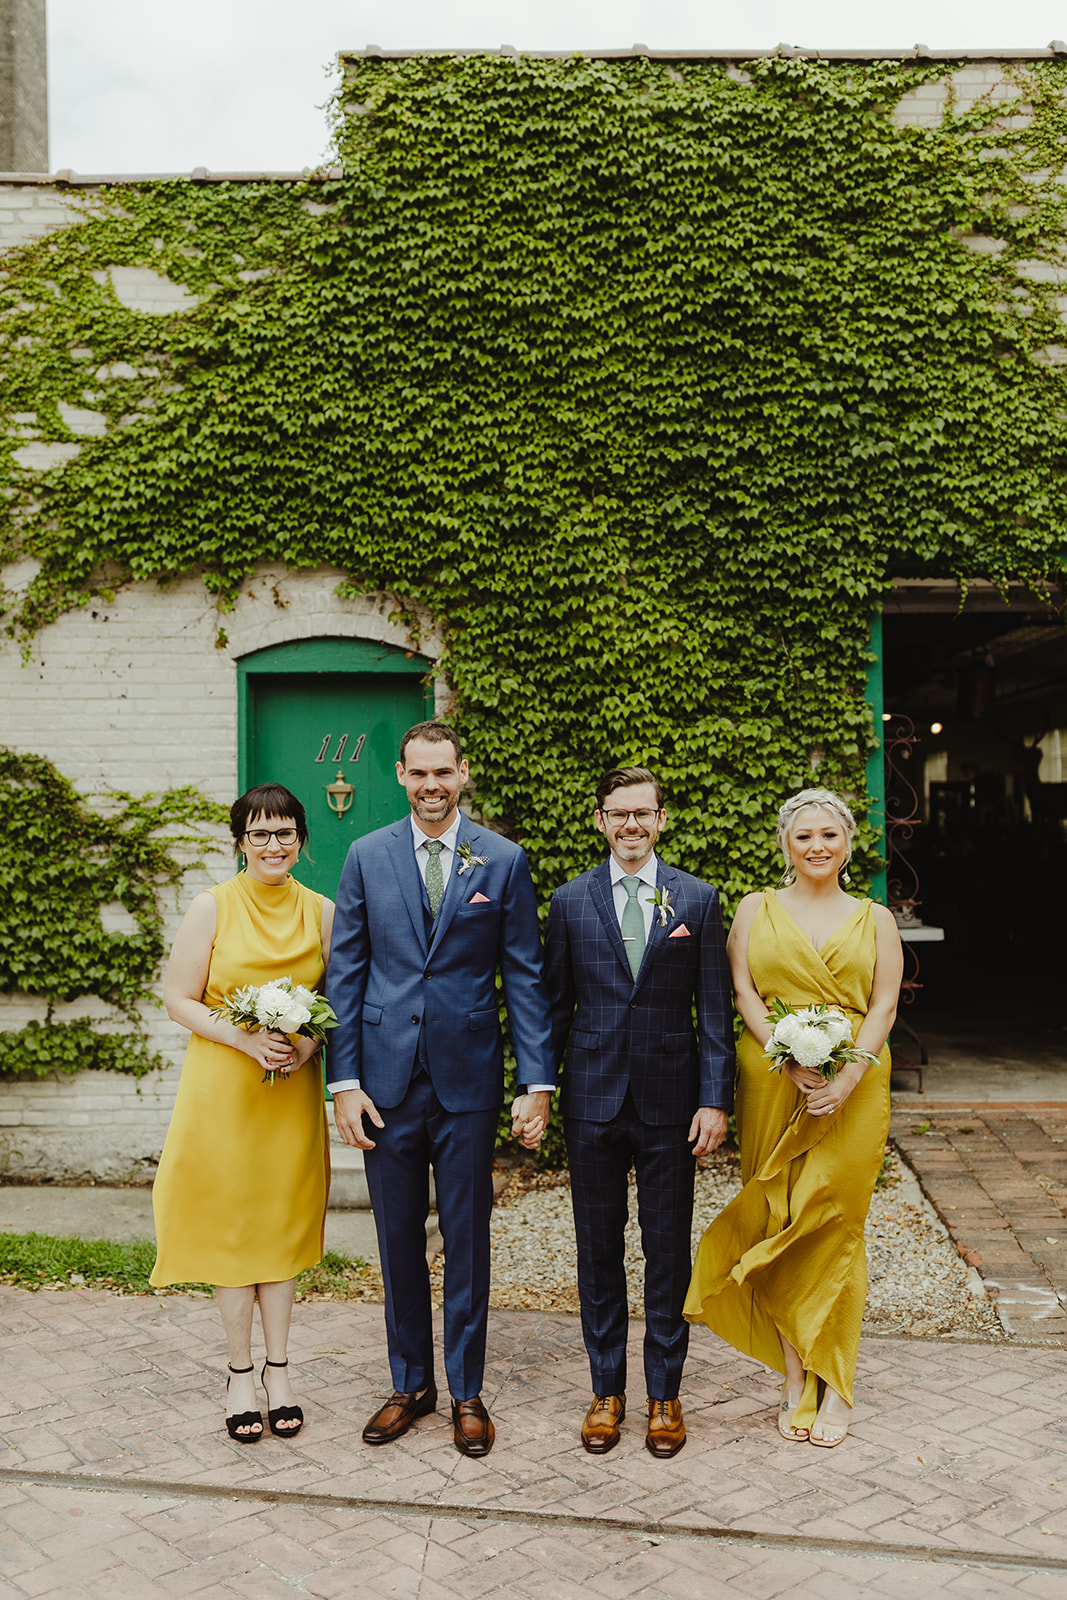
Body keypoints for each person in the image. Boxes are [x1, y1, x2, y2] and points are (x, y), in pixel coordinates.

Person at [327, 721, 555, 1458]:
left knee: (465, 1240)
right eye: (418, 773)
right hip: (386, 1085)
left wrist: (536, 1082)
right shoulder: (366, 856)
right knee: (395, 1243)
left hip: (467, 1081)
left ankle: (466, 1392)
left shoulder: (503, 859)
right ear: (400, 775)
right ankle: (409, 1384)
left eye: (442, 773)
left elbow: (522, 975)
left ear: (463, 774)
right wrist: (345, 1081)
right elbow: (347, 973)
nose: (431, 786)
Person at [685, 787, 902, 1448]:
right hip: (774, 1081)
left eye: (828, 836)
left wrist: (846, 1078)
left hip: (855, 1086)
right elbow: (744, 991)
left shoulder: (876, 918)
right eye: (803, 835)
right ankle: (790, 1376)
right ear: (786, 843)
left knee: (834, 1224)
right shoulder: (755, 909)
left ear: (846, 844)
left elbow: (884, 1006)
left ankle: (834, 1384)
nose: (816, 846)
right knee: (776, 1219)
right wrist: (784, 1056)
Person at [543, 766, 734, 1458]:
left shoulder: (697, 899)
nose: (629, 825)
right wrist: (539, 1086)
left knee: (665, 1251)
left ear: (660, 819)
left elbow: (713, 1009)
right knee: (596, 1253)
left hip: (668, 1103)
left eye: (641, 814)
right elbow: (551, 1008)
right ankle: (606, 1392)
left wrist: (714, 1098)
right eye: (617, 814)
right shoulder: (568, 902)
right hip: (591, 1102)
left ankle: (663, 1394)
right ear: (599, 821)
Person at [151, 784, 334, 1444]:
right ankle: (238, 1375)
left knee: (278, 1231)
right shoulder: (212, 907)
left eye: (285, 833)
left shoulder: (322, 912)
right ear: (239, 842)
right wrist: (243, 1036)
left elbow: (333, 995)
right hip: (224, 1091)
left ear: (301, 840)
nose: (273, 845)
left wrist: (304, 1042)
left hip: (287, 1095)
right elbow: (179, 998)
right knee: (233, 1234)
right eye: (259, 834)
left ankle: (280, 1373)